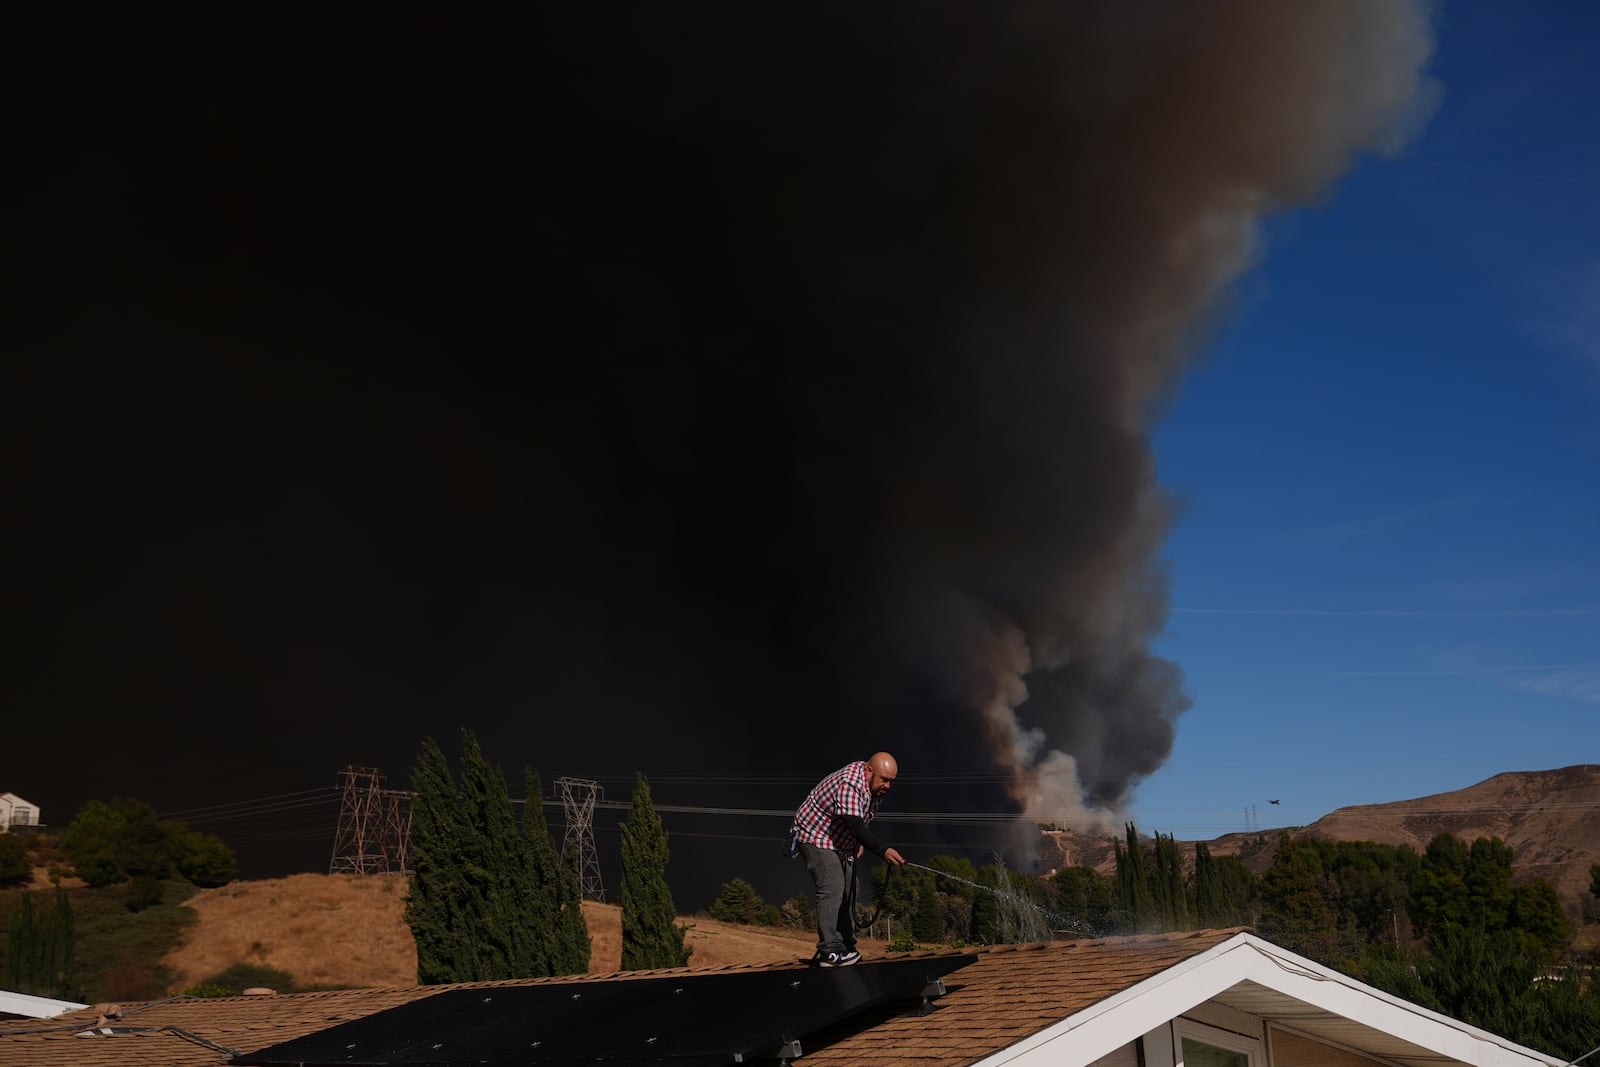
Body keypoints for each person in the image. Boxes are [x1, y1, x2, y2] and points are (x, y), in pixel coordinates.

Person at [790, 751, 907, 967]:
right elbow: (854, 824)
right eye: (884, 779)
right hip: (815, 836)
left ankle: (845, 944)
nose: (888, 786)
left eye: (892, 781)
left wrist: (859, 842)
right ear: (869, 770)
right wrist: (883, 850)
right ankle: (829, 951)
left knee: (851, 887)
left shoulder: (874, 789)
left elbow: (860, 820)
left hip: (840, 840)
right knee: (833, 885)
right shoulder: (849, 783)